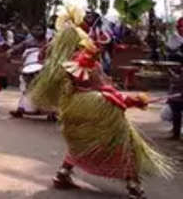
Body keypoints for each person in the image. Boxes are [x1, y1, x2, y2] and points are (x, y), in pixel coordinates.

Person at [52, 39, 172, 199]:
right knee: (125, 144)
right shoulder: (98, 88)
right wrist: (136, 100)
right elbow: (114, 97)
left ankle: (63, 172)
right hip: (101, 120)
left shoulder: (69, 84)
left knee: (81, 144)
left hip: (78, 117)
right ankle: (133, 186)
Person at [9, 25, 55, 120]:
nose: (37, 31)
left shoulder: (50, 43)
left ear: (44, 31)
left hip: (45, 67)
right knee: (25, 87)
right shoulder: (27, 42)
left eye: (39, 29)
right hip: (29, 66)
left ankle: (51, 113)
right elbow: (15, 49)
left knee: (47, 88)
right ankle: (21, 109)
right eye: (34, 29)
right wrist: (10, 52)